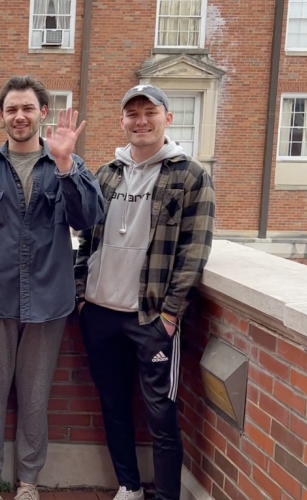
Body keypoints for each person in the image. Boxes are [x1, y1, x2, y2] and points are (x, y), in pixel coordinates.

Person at [0, 76, 104, 500]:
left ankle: (27, 483)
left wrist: (65, 165)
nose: (19, 116)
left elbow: (88, 218)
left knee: (36, 398)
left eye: (27, 108)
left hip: (47, 302)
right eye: (11, 109)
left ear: (43, 112)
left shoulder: (67, 165)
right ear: (1, 116)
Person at [74, 85, 215, 500]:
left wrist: (171, 313)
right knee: (114, 405)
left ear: (167, 119)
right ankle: (129, 487)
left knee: (161, 414)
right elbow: (86, 238)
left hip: (150, 316)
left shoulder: (190, 174)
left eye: (149, 112)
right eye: (131, 113)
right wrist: (82, 295)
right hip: (100, 313)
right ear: (122, 121)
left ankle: (167, 495)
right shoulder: (107, 174)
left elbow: (195, 249)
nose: (140, 120)